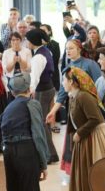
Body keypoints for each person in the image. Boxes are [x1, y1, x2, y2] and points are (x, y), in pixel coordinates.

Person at [46, 39, 102, 175]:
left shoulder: (90, 64)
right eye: (66, 49)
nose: (68, 51)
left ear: (79, 49)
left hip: (89, 108)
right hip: (75, 108)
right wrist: (53, 111)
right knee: (75, 139)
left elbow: (99, 86)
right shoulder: (68, 65)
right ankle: (79, 171)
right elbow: (62, 93)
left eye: (71, 48)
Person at [62, 67, 105, 191]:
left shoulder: (83, 96)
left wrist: (80, 133)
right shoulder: (73, 96)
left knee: (91, 171)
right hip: (84, 138)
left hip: (92, 138)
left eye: (64, 80)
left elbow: (95, 119)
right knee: (83, 170)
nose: (62, 83)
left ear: (71, 82)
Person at [1, 73, 49, 191]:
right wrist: (43, 163)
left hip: (8, 152)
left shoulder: (8, 108)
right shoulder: (32, 103)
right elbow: (38, 135)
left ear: (13, 92)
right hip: (26, 151)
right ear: (29, 88)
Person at [26, 29, 59, 164]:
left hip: (42, 91)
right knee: (44, 121)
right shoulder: (46, 51)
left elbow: (34, 78)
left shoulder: (38, 57)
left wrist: (30, 92)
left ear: (33, 41)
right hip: (49, 88)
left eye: (28, 40)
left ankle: (51, 154)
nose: (26, 42)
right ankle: (48, 152)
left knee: (41, 123)